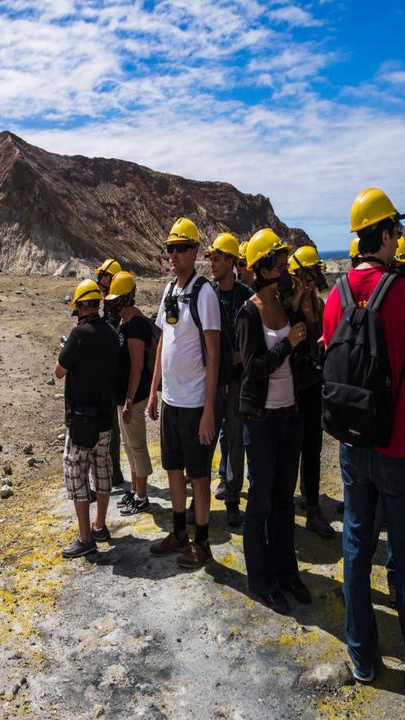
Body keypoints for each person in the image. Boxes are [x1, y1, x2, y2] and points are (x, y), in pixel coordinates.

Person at [321, 187, 405, 687]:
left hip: (351, 443)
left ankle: (362, 655)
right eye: (396, 229)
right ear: (382, 234)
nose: (400, 235)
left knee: (356, 548)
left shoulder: (333, 298)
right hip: (398, 445)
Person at [236, 229, 314, 613]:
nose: (285, 271)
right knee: (260, 504)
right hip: (262, 421)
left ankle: (287, 573)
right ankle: (261, 581)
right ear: (262, 268)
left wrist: (298, 308)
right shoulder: (248, 312)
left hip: (289, 417)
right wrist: (288, 344)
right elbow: (253, 368)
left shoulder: (285, 304)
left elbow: (304, 338)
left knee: (284, 501)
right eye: (280, 265)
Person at [148, 218, 221, 569]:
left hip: (194, 404)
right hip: (171, 401)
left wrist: (209, 409)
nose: (173, 255)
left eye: (180, 248)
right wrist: (153, 391)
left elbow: (214, 352)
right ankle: (179, 532)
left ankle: (202, 542)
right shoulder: (168, 291)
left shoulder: (204, 293)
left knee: (200, 476)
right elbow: (163, 340)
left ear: (194, 251)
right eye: (170, 249)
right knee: (174, 469)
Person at [57, 279, 120, 558]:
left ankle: (85, 538)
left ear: (81, 307)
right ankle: (100, 526)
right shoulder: (110, 332)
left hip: (81, 420)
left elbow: (60, 370)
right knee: (102, 469)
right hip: (106, 418)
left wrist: (64, 349)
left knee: (76, 473)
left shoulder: (78, 335)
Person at [287, 245, 333, 539]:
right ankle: (289, 506)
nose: (314, 279)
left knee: (312, 450)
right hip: (291, 391)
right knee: (291, 451)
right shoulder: (287, 309)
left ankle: (313, 506)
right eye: (310, 273)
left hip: (313, 389)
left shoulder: (320, 306)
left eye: (316, 274)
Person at [206, 232, 252, 529]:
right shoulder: (205, 294)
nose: (213, 263)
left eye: (218, 258)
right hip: (211, 380)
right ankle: (198, 502)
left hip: (236, 382)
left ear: (232, 262)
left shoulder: (246, 297)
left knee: (235, 441)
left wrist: (242, 356)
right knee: (205, 438)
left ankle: (233, 499)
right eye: (211, 258)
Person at [105, 272, 155, 516]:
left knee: (137, 446)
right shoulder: (124, 322)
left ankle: (142, 497)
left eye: (116, 298)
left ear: (126, 298)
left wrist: (127, 401)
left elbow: (136, 367)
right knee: (128, 445)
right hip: (123, 397)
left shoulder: (135, 325)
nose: (112, 302)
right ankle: (135, 491)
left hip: (131, 398)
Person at [97, 258, 128, 491]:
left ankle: (114, 471)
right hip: (114, 373)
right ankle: (114, 471)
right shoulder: (111, 305)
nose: (99, 281)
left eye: (102, 276)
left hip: (114, 376)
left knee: (112, 427)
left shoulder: (112, 308)